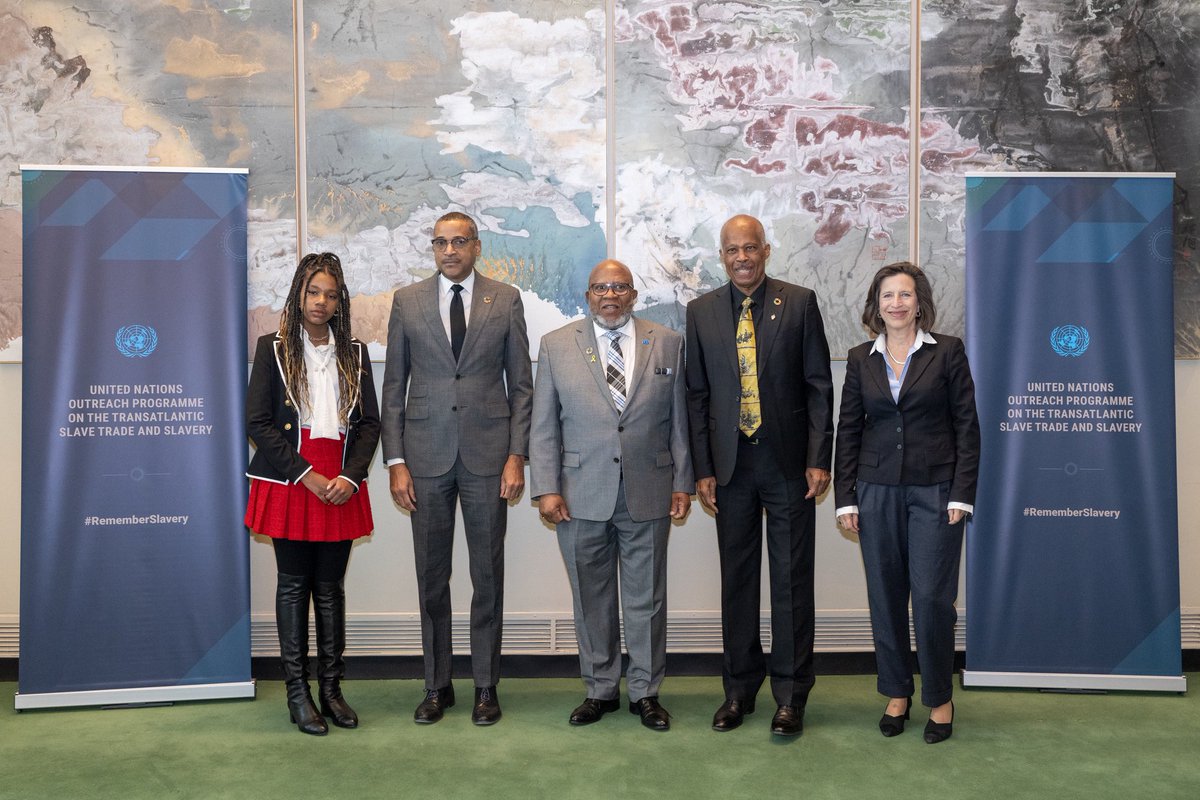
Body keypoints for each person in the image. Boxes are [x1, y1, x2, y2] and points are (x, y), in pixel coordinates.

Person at [381, 211, 533, 726]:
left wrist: (517, 455)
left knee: (487, 576)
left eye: (460, 241)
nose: (450, 251)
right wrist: (396, 461)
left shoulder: (505, 299)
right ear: (433, 248)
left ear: (477, 246)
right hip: (424, 458)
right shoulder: (408, 301)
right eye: (441, 242)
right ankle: (436, 684)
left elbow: (523, 387)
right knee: (432, 577)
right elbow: (393, 388)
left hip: (490, 459)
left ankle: (486, 687)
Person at [685, 214, 834, 736]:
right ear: (721, 256)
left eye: (751, 248)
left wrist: (820, 455)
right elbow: (697, 395)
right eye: (732, 250)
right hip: (730, 468)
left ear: (766, 251)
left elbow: (818, 385)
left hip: (789, 464)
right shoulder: (700, 311)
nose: (742, 258)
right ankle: (739, 692)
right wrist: (703, 468)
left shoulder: (798, 301)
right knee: (738, 582)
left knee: (792, 581)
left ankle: (791, 696)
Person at [530, 259, 693, 731]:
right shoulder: (557, 346)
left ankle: (646, 692)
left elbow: (679, 421)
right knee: (590, 597)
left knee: (647, 600)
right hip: (579, 495)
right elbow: (543, 427)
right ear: (587, 295)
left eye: (620, 286)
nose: (610, 295)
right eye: (600, 286)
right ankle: (599, 689)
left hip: (649, 490)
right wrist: (545, 488)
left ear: (633, 294)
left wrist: (683, 481)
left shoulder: (666, 342)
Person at [833, 261, 979, 744]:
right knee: (886, 597)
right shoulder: (860, 358)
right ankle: (897, 692)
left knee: (934, 600)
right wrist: (846, 497)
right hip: (875, 493)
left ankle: (939, 697)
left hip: (935, 492)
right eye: (888, 296)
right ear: (876, 305)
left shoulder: (948, 353)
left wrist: (962, 492)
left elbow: (967, 427)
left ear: (920, 303)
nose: (896, 304)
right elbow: (848, 430)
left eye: (905, 295)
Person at [245, 252, 380, 736]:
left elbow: (368, 424)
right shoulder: (273, 348)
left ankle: (331, 690)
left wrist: (351, 476)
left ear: (340, 300)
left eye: (330, 294)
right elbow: (257, 421)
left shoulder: (355, 352)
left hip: (340, 482)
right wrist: (307, 475)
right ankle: (297, 696)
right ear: (299, 294)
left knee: (330, 589)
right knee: (293, 585)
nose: (321, 302)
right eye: (313, 292)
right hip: (293, 479)